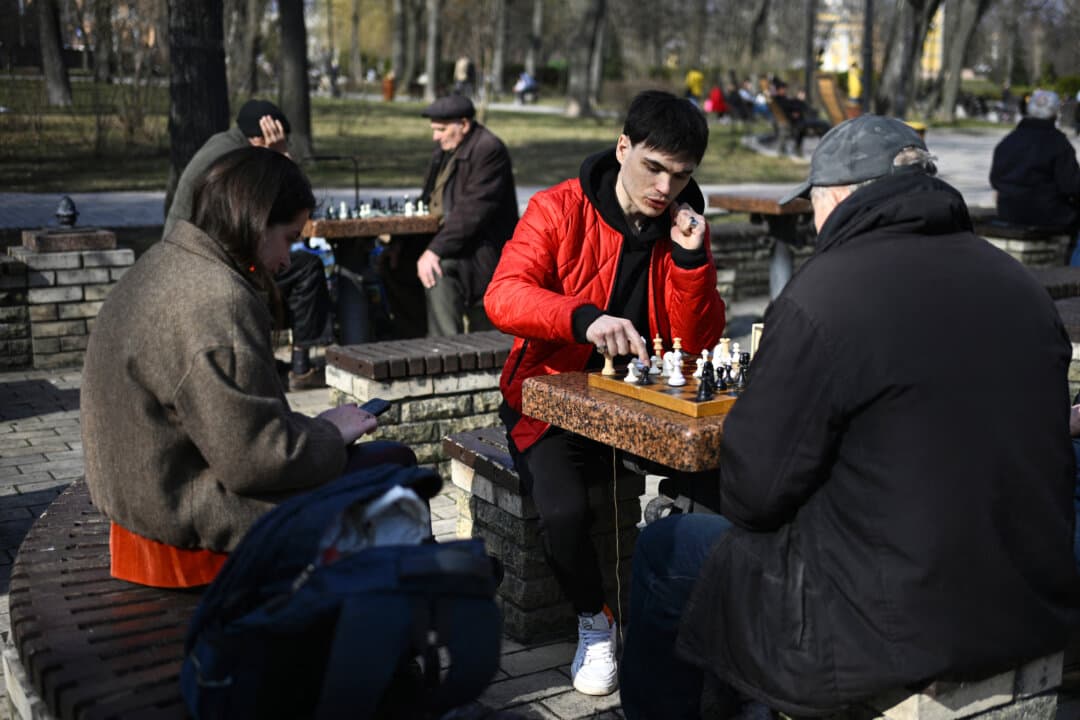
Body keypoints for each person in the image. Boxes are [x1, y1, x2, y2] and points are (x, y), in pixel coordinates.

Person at [619, 115, 1080, 719]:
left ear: (836, 196)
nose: (813, 222)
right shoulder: (1020, 287)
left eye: (812, 204)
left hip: (884, 624)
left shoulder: (824, 296)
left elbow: (754, 494)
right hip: (1031, 594)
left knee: (665, 546)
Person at [82, 147, 416, 589]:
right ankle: (382, 641)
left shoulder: (163, 263)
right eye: (289, 238)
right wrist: (330, 432)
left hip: (139, 506)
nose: (286, 260)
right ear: (256, 222)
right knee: (395, 468)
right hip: (180, 533)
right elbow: (255, 461)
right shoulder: (219, 300)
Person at [484, 90, 726, 697]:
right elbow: (502, 294)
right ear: (623, 147)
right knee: (564, 512)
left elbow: (695, 343)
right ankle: (595, 619)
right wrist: (582, 318)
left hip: (643, 398)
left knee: (722, 479)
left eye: (682, 174)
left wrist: (692, 264)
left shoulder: (685, 225)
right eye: (654, 167)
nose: (665, 187)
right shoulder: (558, 208)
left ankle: (701, 621)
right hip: (551, 398)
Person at [164, 99, 333, 390]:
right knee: (307, 269)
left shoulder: (222, 144)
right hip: (209, 261)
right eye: (281, 137)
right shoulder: (238, 159)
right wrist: (279, 155)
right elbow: (294, 201)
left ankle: (272, 359)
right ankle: (301, 368)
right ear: (263, 134)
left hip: (188, 254)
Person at [415, 95, 518, 336]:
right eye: (434, 129)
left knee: (437, 271)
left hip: (481, 250)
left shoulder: (488, 150)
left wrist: (434, 251)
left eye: (441, 129)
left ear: (464, 124)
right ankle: (410, 348)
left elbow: (472, 211)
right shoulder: (444, 150)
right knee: (392, 264)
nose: (435, 136)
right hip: (455, 242)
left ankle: (447, 354)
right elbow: (428, 198)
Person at [990, 89, 1080, 263]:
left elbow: (996, 179)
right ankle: (1075, 273)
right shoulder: (1058, 144)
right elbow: (1071, 186)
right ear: (1055, 114)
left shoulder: (1008, 141)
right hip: (1046, 213)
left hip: (1008, 211)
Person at [772, 81, 831, 156]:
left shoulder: (781, 99)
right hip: (798, 122)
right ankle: (826, 147)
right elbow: (790, 109)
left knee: (822, 123)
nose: (785, 90)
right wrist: (797, 106)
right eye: (783, 88)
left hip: (799, 120)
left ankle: (824, 146)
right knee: (824, 124)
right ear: (779, 89)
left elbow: (791, 105)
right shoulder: (779, 99)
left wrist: (798, 102)